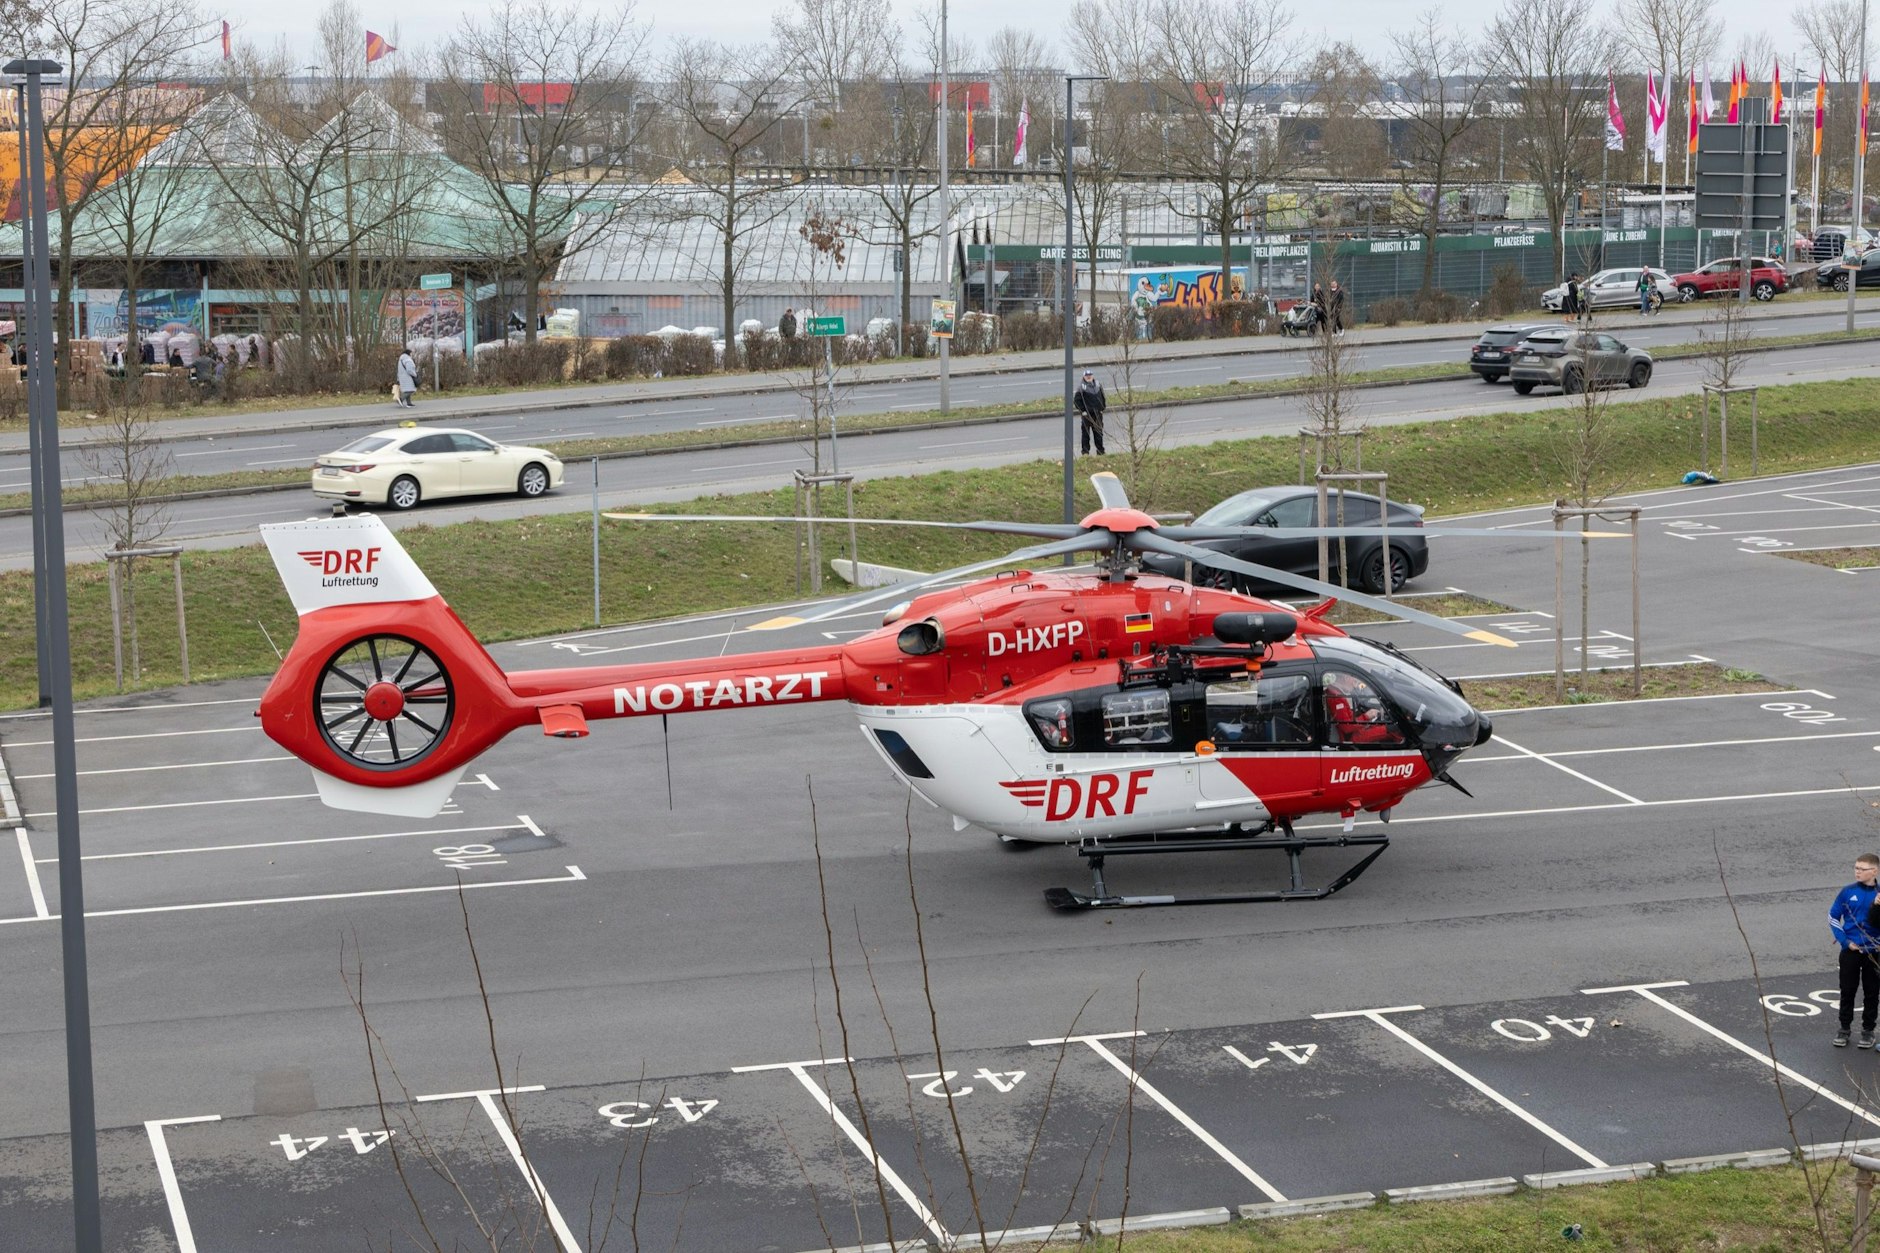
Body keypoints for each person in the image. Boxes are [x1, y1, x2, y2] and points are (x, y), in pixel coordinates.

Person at [1830, 854, 1880, 1048]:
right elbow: (1833, 917)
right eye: (1856, 867)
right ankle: (1844, 1028)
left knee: (1872, 992)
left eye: (1862, 868)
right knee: (1847, 990)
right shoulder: (1847, 892)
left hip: (1874, 951)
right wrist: (1845, 941)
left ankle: (1868, 1031)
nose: (1857, 871)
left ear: (1874, 871)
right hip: (1851, 950)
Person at [1072, 369, 1106, 455]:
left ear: (1092, 376)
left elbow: (1102, 397)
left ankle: (1100, 451)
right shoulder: (1081, 387)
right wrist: (1083, 411)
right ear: (1084, 377)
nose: (1088, 377)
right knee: (1086, 435)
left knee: (1098, 433)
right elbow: (1077, 401)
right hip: (1087, 415)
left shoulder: (1098, 385)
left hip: (1097, 414)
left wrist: (1102, 408)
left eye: (1090, 375)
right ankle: (1085, 452)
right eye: (1087, 376)